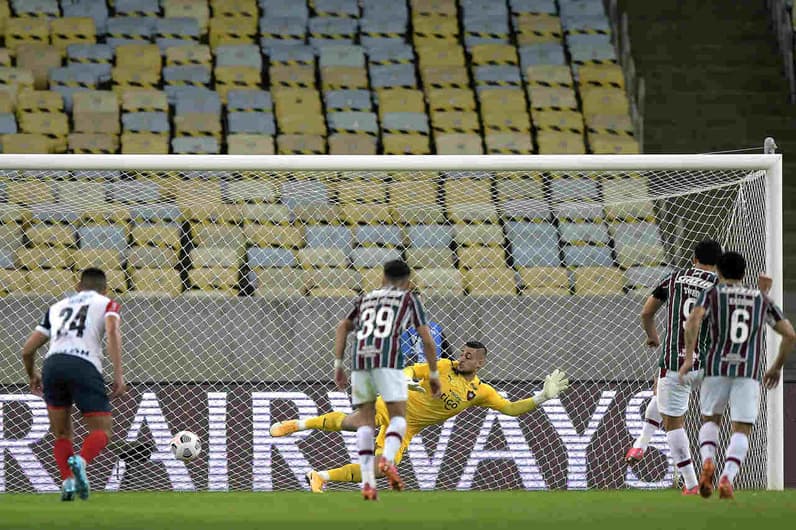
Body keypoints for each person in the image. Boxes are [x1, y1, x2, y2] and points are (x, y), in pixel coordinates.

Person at [270, 341, 569, 493]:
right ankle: (297, 424)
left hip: (408, 427)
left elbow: (511, 409)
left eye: (468, 356)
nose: (461, 357)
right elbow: (412, 370)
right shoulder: (441, 365)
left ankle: (320, 477)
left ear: (480, 362)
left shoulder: (481, 392)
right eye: (461, 352)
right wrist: (405, 379)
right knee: (355, 423)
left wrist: (542, 397)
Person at [678, 251, 794, 499]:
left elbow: (692, 321)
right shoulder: (760, 299)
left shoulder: (711, 294)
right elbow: (790, 335)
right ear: (744, 273)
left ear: (718, 271)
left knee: (710, 420)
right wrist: (775, 367)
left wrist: (689, 358)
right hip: (747, 372)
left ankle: (708, 460)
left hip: (715, 368)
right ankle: (727, 477)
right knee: (741, 429)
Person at [331, 259, 441, 500]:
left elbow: (342, 327)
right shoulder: (410, 299)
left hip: (360, 361)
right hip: (387, 360)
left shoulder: (366, 298)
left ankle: (368, 484)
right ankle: (387, 461)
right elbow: (427, 339)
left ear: (383, 277)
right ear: (408, 281)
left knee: (365, 422)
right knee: (399, 418)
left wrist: (339, 365)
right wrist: (433, 374)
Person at [625, 239, 723, 495]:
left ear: (693, 258)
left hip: (675, 363)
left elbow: (646, 313)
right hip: (707, 365)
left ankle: (691, 484)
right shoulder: (719, 286)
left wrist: (652, 336)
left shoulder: (674, 278)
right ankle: (642, 443)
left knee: (673, 423)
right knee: (662, 397)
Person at [21, 268, 126, 501]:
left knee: (61, 433)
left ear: (78, 286)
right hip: (84, 365)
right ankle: (81, 461)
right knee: (102, 430)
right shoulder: (107, 303)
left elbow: (27, 350)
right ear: (105, 289)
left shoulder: (56, 308)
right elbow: (112, 330)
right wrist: (118, 373)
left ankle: (68, 481)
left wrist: (32, 375)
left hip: (53, 365)